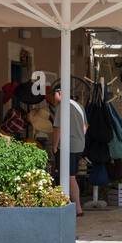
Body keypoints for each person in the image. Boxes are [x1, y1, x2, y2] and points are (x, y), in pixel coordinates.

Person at [50, 83, 86, 216]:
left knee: (69, 177)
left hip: (68, 146)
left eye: (54, 94)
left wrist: (54, 146)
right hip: (79, 145)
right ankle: (70, 205)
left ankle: (77, 208)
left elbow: (57, 129)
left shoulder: (62, 107)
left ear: (59, 93)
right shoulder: (79, 106)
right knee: (72, 176)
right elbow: (85, 127)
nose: (53, 98)